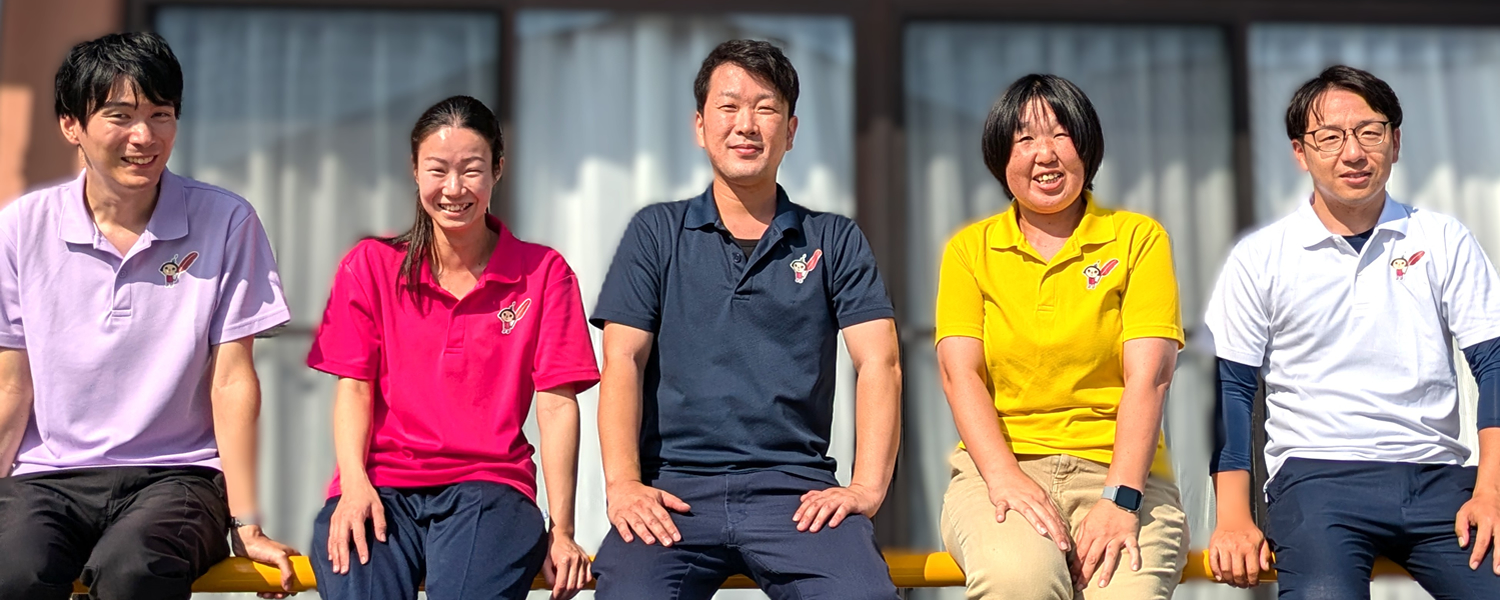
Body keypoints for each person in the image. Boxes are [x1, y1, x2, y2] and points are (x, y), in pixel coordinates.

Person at [588, 39, 903, 599]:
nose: (746, 125)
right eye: (728, 107)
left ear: (791, 130)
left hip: (797, 493)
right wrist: (624, 484)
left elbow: (880, 362)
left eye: (765, 108)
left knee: (862, 593)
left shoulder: (834, 238)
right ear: (700, 125)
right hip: (674, 492)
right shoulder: (655, 232)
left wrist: (867, 488)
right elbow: (622, 360)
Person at [0, 32, 298, 599]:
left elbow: (232, 381)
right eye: (120, 116)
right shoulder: (19, 228)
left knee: (133, 571)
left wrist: (246, 522)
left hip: (179, 477)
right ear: (71, 125)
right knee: (12, 571)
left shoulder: (227, 221)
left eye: (161, 115)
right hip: (47, 479)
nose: (145, 136)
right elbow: (12, 386)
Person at [1205, 64, 1500, 598]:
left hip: (1438, 477)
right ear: (1300, 152)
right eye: (1330, 137)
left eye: (1370, 132)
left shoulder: (1443, 239)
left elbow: (1494, 365)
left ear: (1396, 142)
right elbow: (1233, 390)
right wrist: (1232, 517)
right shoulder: (1260, 257)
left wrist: (1492, 490)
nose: (1354, 152)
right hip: (1317, 481)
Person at [306, 96, 597, 600]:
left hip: (491, 490)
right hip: (380, 486)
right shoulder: (369, 265)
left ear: (498, 169)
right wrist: (353, 486)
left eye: (472, 170)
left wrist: (563, 529)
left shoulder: (544, 273)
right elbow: (354, 387)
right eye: (437, 170)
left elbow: (556, 404)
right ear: (414, 170)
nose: (454, 188)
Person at [935, 74, 1188, 599]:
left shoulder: (1138, 238)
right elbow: (960, 375)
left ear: (1087, 147)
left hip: (1122, 472)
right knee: (1017, 580)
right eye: (1024, 138)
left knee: (1126, 592)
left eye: (1061, 134)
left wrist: (1120, 499)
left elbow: (1151, 378)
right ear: (1000, 157)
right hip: (1000, 469)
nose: (1045, 154)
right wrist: (1004, 477)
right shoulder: (969, 250)